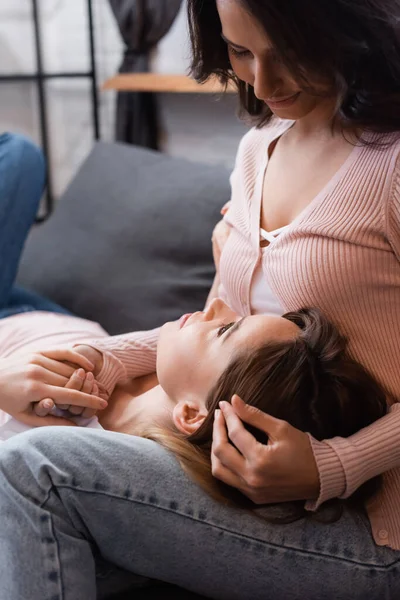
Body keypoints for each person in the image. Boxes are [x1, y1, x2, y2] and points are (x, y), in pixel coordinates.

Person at [2, 0, 400, 597]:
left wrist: (336, 464)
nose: (263, 83)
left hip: (371, 526)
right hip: (243, 490)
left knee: (39, 469)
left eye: (287, 55)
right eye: (240, 53)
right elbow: (218, 324)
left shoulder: (391, 168)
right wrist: (94, 362)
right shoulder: (257, 151)